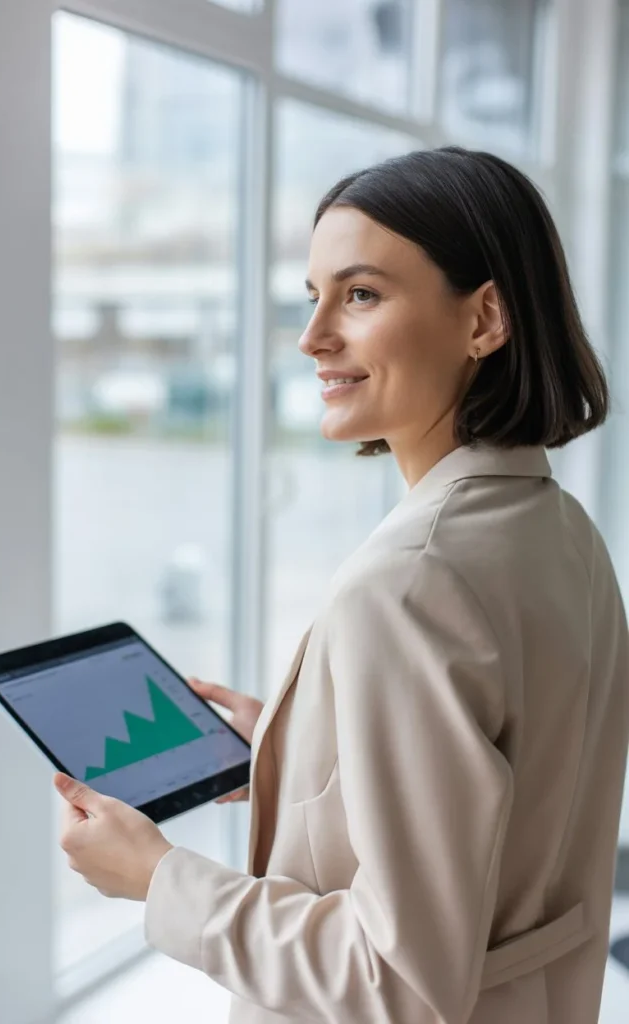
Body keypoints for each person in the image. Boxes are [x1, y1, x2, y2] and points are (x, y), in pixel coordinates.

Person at [55, 146, 629, 1024]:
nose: (312, 335)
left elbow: (393, 978)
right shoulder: (561, 531)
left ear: (484, 320)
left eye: (359, 294)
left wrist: (159, 879)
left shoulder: (409, 581)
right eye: (312, 295)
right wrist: (299, 750)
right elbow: (507, 809)